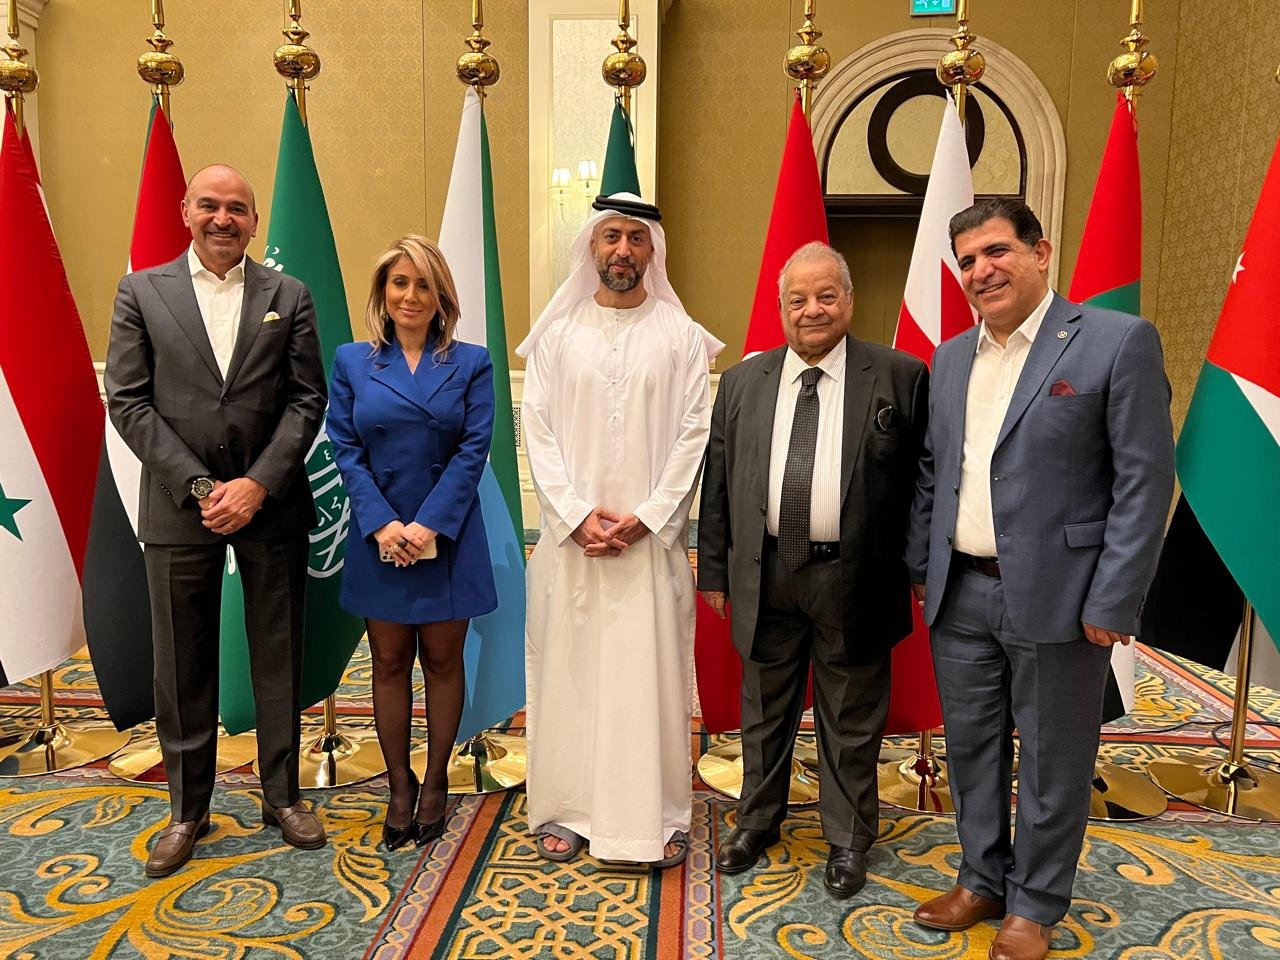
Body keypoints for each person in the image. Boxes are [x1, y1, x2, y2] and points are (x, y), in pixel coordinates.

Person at [905, 198, 1174, 960]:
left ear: (1041, 252)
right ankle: (981, 879)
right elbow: (936, 471)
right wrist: (924, 565)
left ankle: (1035, 903)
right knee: (971, 749)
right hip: (961, 592)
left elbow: (1144, 483)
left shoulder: (1116, 342)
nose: (981, 271)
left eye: (996, 251)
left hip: (1063, 598)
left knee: (1055, 757)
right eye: (967, 261)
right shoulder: (950, 358)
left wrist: (1114, 596)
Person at [105, 164, 328, 877]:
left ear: (255, 221)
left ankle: (282, 795)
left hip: (271, 503)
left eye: (237, 208)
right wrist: (203, 487)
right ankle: (187, 810)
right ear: (186, 211)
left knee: (278, 653)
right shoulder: (142, 291)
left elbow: (307, 399)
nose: (223, 218)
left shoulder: (289, 294)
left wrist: (257, 485)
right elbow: (128, 400)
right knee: (181, 661)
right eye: (210, 205)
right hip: (179, 506)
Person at [698, 241, 928, 898]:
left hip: (855, 575)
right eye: (797, 299)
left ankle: (849, 837)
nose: (813, 310)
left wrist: (918, 566)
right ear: (781, 309)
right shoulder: (743, 382)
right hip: (766, 569)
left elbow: (924, 484)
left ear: (849, 301)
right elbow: (719, 483)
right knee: (763, 709)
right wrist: (714, 572)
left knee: (851, 714)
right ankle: (757, 821)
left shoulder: (900, 377)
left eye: (827, 295)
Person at [518, 193, 722, 868]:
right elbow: (538, 432)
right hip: (572, 549)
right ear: (591, 246)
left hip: (647, 548)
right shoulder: (556, 335)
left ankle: (652, 815)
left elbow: (694, 434)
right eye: (611, 237)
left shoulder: (680, 336)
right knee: (570, 675)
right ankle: (568, 810)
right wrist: (576, 517)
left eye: (636, 238)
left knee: (647, 679)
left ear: (652, 249)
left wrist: (649, 517)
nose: (623, 250)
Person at [326, 235, 496, 851]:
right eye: (400, 282)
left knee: (444, 662)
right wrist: (381, 524)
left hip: (446, 534)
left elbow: (473, 450)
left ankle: (435, 783)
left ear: (441, 295)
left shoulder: (472, 362)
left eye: (424, 284)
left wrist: (427, 526)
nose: (411, 295)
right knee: (390, 662)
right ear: (383, 291)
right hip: (380, 535)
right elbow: (345, 447)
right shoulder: (352, 361)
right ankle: (399, 785)